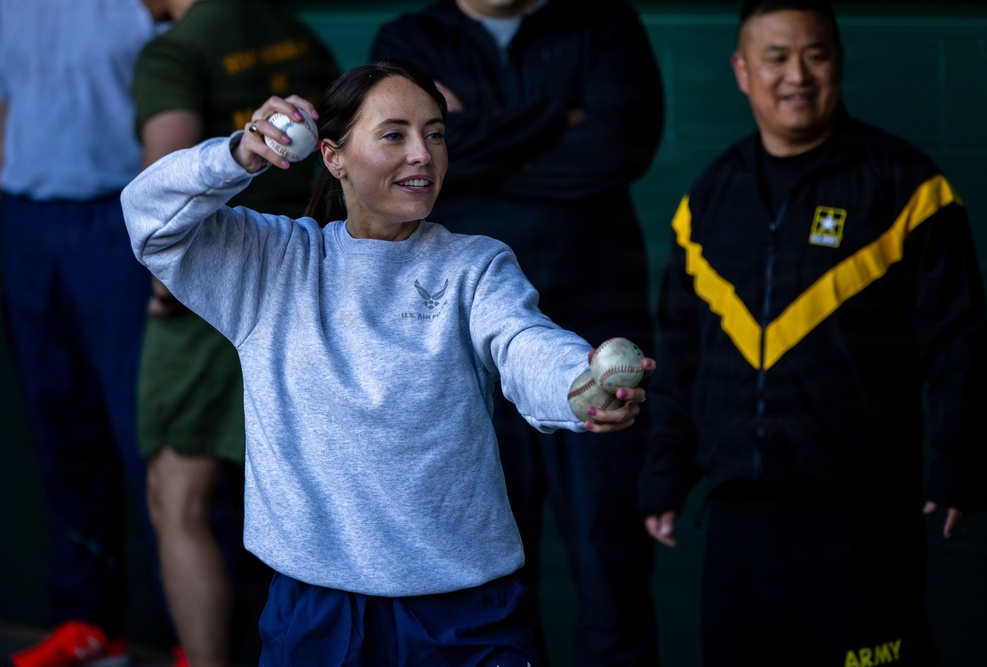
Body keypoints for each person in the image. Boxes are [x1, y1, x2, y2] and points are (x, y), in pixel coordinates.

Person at [121, 61, 655, 666]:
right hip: (315, 610)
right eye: (394, 134)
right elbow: (147, 217)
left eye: (434, 134)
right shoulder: (272, 263)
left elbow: (523, 341)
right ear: (333, 156)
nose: (423, 155)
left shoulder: (474, 266)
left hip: (465, 609)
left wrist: (575, 383)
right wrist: (238, 155)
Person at [639, 2, 987, 666]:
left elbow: (961, 342)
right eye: (775, 57)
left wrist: (960, 463)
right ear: (743, 71)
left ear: (838, 62)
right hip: (739, 515)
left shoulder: (909, 186)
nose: (796, 75)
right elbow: (681, 350)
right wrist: (665, 475)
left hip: (861, 512)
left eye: (816, 55)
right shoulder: (707, 200)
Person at [370, 2, 664, 663]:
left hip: (594, 340)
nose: (435, 144)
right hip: (462, 355)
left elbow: (619, 147)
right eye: (435, 131)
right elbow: (412, 174)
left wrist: (473, 138)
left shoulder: (603, 23)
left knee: (613, 581)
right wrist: (557, 117)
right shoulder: (408, 39)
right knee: (485, 583)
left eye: (436, 128)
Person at [129, 2, 339, 666]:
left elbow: (168, 192)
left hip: (210, 297)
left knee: (178, 499)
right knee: (300, 498)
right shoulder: (293, 31)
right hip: (302, 282)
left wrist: (167, 289)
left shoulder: (173, 51)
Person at [0, 2, 174, 666]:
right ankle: (91, 624)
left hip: (119, 224)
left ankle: (200, 635)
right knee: (58, 427)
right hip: (29, 222)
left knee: (151, 441)